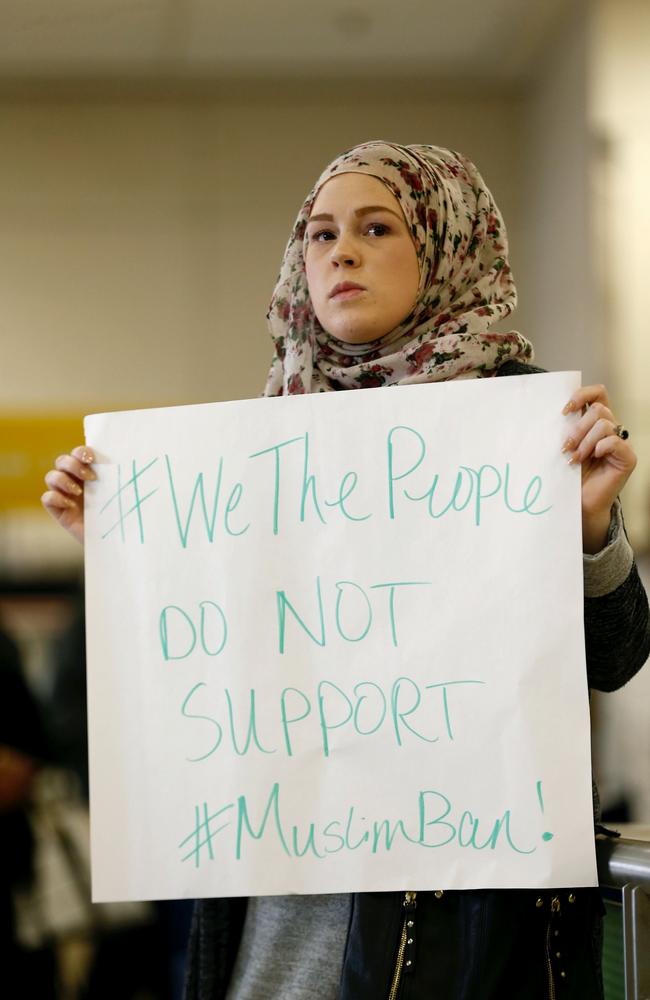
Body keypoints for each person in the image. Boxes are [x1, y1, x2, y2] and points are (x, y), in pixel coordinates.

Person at [42, 141, 650, 1000]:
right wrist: (123, 550)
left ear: (447, 246)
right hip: (276, 927)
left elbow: (617, 656)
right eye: (320, 236)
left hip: (457, 932)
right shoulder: (259, 437)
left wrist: (588, 527)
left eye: (376, 228)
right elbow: (208, 669)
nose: (342, 253)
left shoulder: (527, 428)